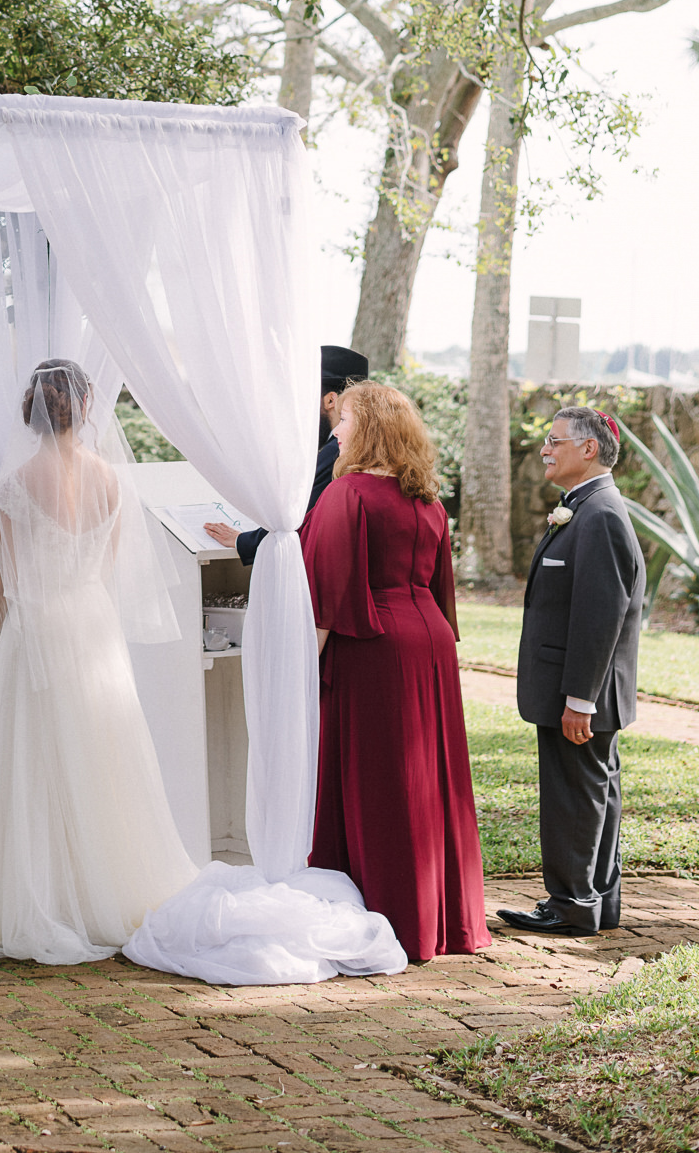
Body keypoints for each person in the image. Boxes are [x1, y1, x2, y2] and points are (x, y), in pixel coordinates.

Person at [0, 360, 194, 964]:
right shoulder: (109, 477)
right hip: (92, 619)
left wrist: (8, 628)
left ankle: (44, 894)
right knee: (101, 753)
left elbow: (4, 579)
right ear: (85, 409)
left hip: (38, 623)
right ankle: (105, 885)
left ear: (30, 412)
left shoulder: (18, 480)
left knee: (35, 756)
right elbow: (106, 562)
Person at [301, 381, 490, 962]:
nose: (336, 430)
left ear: (370, 429)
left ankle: (396, 918)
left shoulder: (347, 494)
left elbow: (328, 592)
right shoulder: (427, 499)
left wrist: (303, 667)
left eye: (347, 419)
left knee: (379, 779)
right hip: (428, 641)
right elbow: (440, 586)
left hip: (373, 645)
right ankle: (444, 918)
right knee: (432, 776)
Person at [498, 406, 646, 939]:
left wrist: (579, 699)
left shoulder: (600, 514)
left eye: (554, 440)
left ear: (588, 449)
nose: (545, 449)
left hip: (581, 693)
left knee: (573, 795)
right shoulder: (585, 508)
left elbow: (600, 614)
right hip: (579, 689)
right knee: (592, 791)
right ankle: (594, 900)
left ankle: (572, 903)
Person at [205, 344, 367, 562]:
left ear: (331, 400)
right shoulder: (360, 445)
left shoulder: (338, 451)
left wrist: (241, 541)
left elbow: (298, 517)